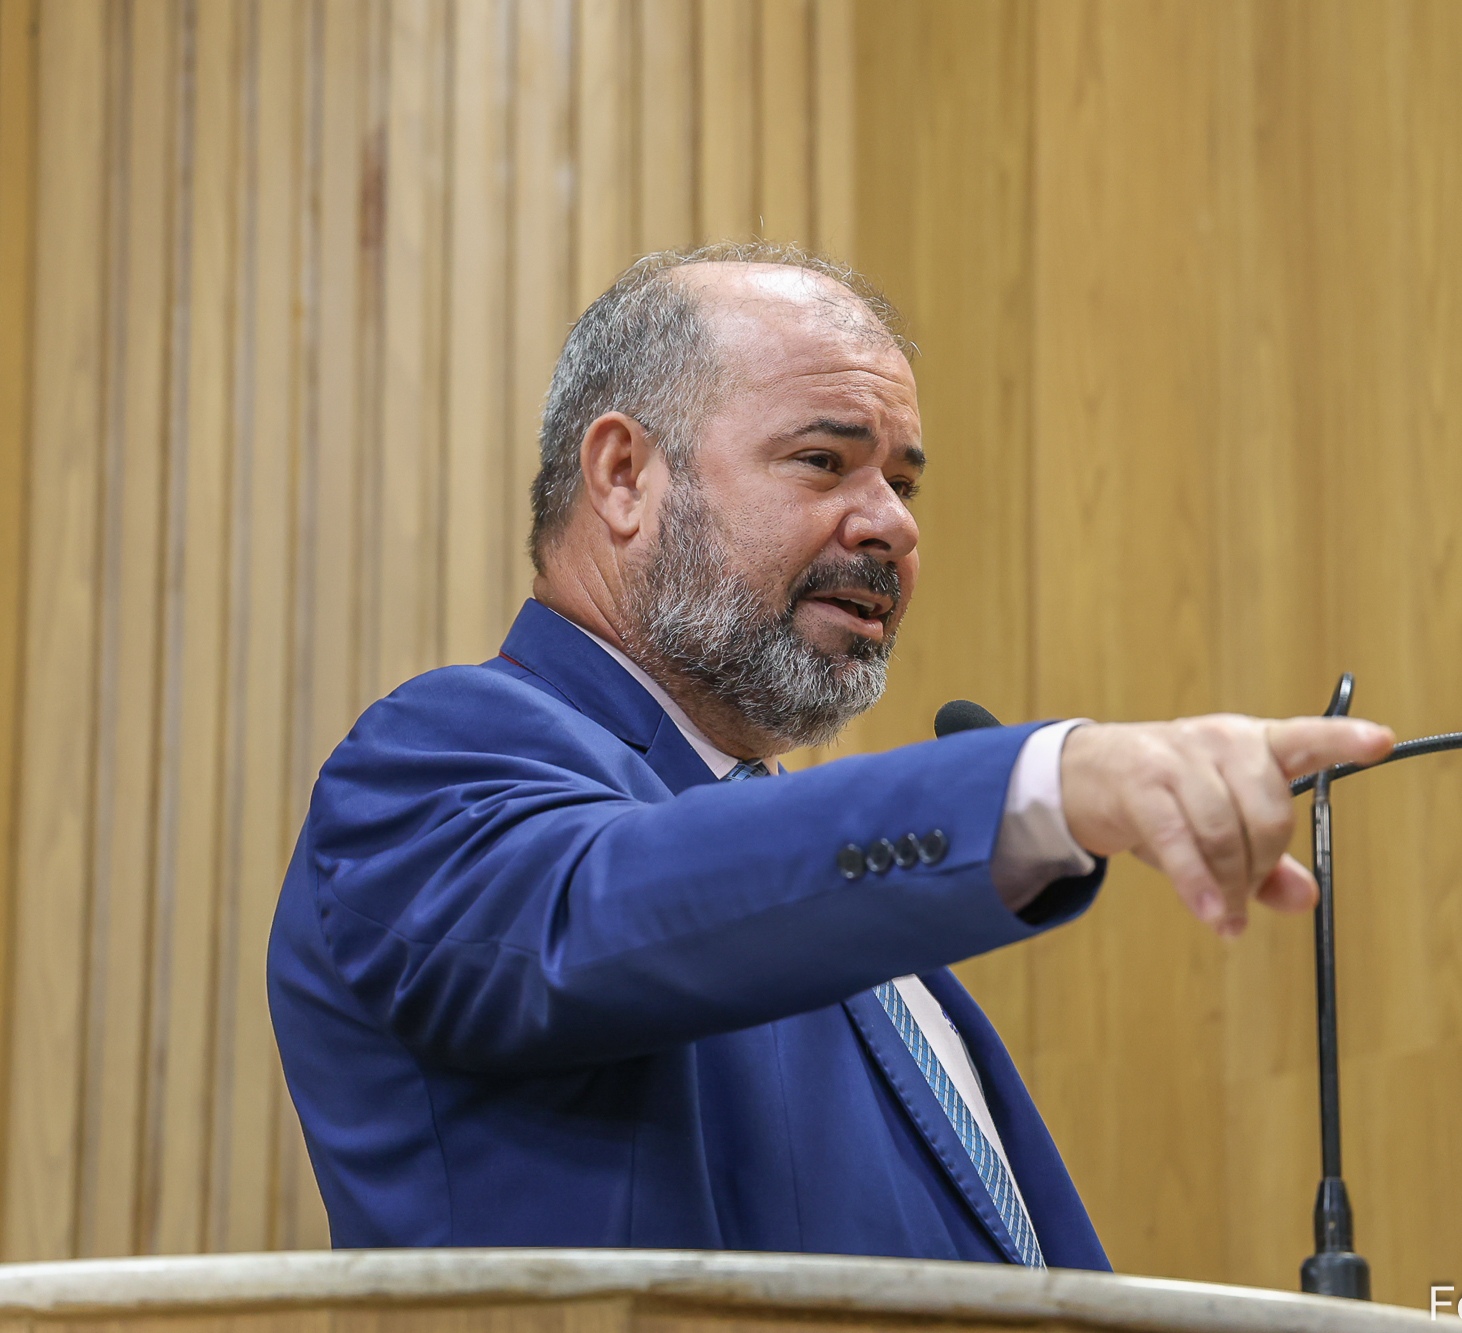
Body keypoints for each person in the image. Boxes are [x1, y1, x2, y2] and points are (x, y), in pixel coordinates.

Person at [267, 241, 1393, 1266]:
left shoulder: (841, 910)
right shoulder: (436, 755)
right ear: (622, 477)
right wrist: (1044, 783)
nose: (893, 524)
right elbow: (602, 908)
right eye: (822, 460)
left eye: (902, 482)